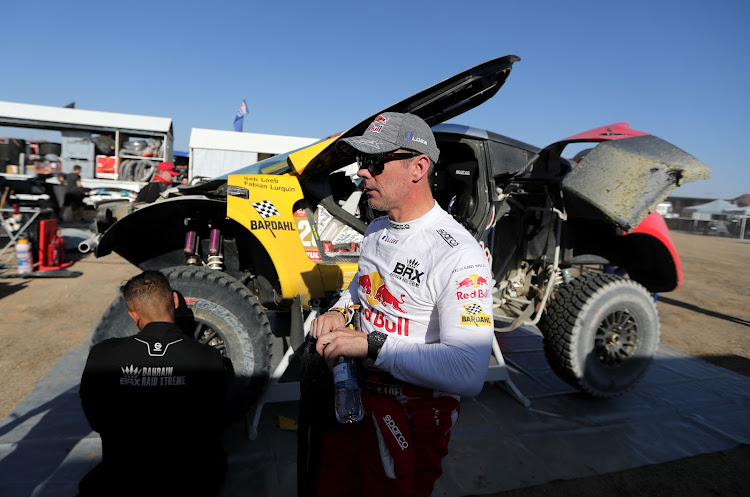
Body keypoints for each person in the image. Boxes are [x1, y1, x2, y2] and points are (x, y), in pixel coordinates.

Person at [304, 112, 495, 496]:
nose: (361, 172)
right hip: (354, 400)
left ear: (418, 167)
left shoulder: (458, 253)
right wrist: (340, 311)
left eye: (374, 162)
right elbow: (362, 287)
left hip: (409, 420)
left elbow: (469, 372)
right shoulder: (376, 230)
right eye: (362, 162)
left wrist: (372, 346)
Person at [78, 270, 233, 497]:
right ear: (176, 302)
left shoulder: (102, 356)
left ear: (133, 315)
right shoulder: (211, 358)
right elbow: (219, 419)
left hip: (123, 481)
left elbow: (96, 420)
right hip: (193, 482)